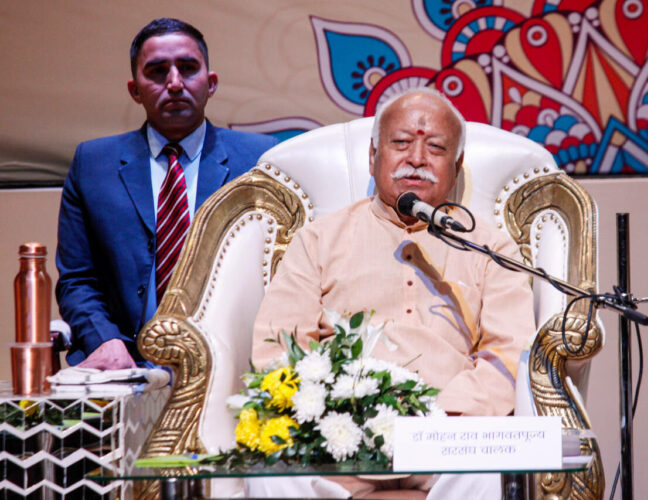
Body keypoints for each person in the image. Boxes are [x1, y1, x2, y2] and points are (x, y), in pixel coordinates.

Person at [249, 88, 536, 499]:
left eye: (435, 147)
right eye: (401, 143)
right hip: (343, 436)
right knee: (269, 471)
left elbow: (509, 352)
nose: (416, 158)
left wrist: (436, 417)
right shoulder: (318, 240)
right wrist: (336, 415)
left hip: (450, 438)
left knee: (495, 477)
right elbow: (278, 344)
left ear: (455, 169)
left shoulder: (489, 247)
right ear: (373, 156)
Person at [56, 18, 278, 369]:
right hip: (126, 361)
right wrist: (105, 340)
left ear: (211, 83)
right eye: (157, 72)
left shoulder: (260, 160)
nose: (174, 83)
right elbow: (77, 279)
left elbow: (285, 269)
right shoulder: (93, 164)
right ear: (135, 90)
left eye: (188, 68)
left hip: (234, 360)